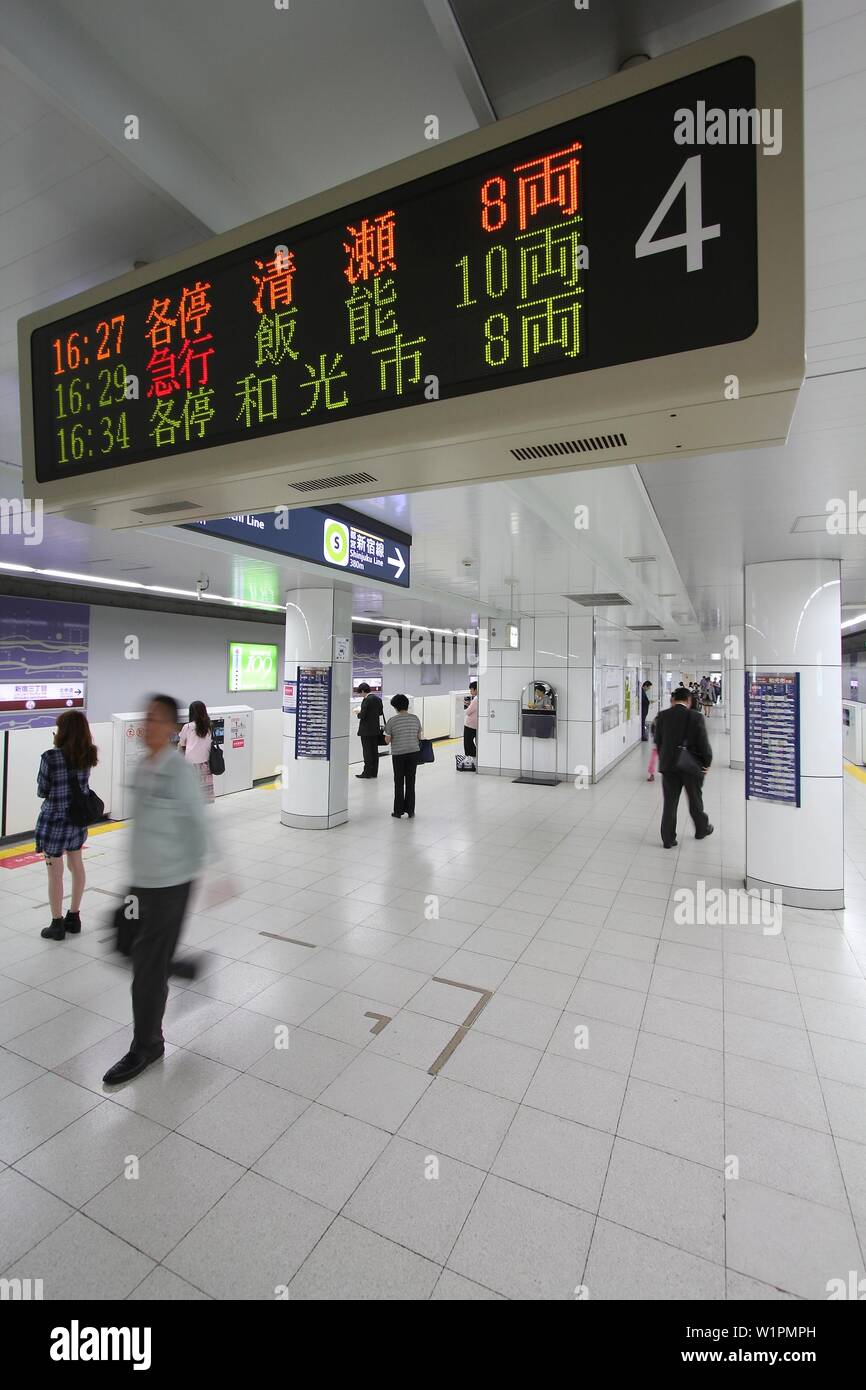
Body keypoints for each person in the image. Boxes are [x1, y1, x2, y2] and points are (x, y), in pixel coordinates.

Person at [103, 694, 208, 1086]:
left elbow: (199, 823)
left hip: (170, 884)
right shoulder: (143, 767)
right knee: (121, 942)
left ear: (171, 728)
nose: (147, 725)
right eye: (146, 718)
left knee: (145, 969)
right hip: (139, 883)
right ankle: (175, 965)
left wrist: (203, 871)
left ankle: (146, 1045)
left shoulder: (177, 771)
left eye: (156, 719)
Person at [35, 710, 99, 940]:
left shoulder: (50, 757)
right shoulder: (88, 755)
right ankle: (74, 917)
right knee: (77, 865)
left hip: (54, 822)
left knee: (55, 873)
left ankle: (57, 923)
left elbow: (42, 790)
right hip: (77, 820)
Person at [653, 686, 713, 849]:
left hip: (668, 766)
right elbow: (703, 744)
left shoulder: (662, 716)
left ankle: (668, 839)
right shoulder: (696, 717)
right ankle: (701, 829)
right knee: (695, 800)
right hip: (691, 766)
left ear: (673, 700)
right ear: (689, 700)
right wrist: (707, 763)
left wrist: (665, 757)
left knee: (670, 803)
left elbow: (658, 741)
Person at [383, 693, 423, 819]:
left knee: (399, 782)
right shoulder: (415, 718)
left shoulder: (392, 721)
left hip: (399, 754)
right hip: (413, 753)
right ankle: (410, 810)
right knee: (411, 782)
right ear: (407, 705)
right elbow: (419, 737)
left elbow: (387, 741)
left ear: (395, 707)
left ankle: (398, 811)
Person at [178, 700, 214, 803]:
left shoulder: (188, 726)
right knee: (203, 792)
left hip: (190, 763)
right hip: (205, 762)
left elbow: (182, 743)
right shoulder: (209, 725)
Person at [355, 682, 384, 779]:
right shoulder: (378, 699)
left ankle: (367, 773)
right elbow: (380, 712)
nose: (360, 695)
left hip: (366, 731)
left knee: (367, 753)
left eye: (360, 693)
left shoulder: (366, 700)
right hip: (375, 730)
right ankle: (374, 772)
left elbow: (362, 715)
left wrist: (357, 713)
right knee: (374, 752)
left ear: (363, 691)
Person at [463, 680, 478, 758]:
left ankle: (471, 757)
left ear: (475, 689)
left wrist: (467, 706)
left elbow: (468, 712)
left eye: (471, 689)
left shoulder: (476, 699)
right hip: (476, 725)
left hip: (470, 725)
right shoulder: (480, 698)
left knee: (467, 742)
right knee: (474, 742)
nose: (470, 691)